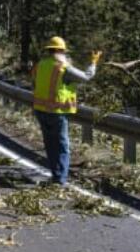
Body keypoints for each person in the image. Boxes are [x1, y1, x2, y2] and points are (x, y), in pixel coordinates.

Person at [31, 36, 101, 185]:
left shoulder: (40, 64)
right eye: (64, 51)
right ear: (59, 50)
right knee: (62, 146)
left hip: (40, 110)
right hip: (57, 112)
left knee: (50, 144)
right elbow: (87, 77)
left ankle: (56, 175)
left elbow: (35, 82)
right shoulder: (63, 67)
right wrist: (93, 63)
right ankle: (60, 179)